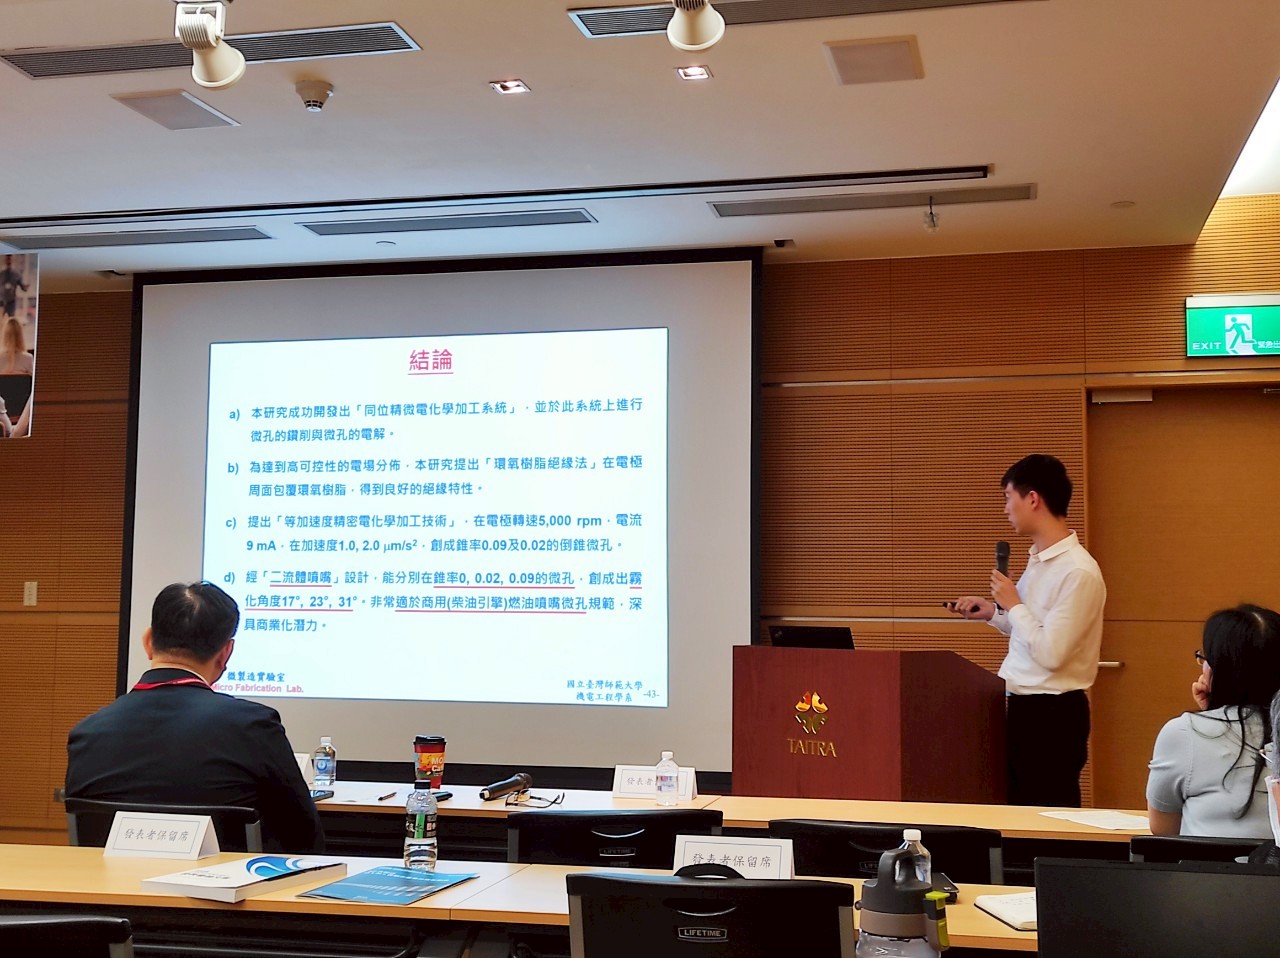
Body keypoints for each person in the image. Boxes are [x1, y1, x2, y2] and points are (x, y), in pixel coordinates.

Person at [66, 581, 324, 852]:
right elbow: (304, 838)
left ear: (148, 642)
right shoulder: (254, 726)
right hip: (226, 880)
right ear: (226, 653)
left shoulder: (86, 734)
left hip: (113, 880)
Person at [948, 454, 1106, 806]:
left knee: (1045, 816)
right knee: (1015, 814)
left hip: (1051, 715)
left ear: (1032, 498)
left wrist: (1014, 604)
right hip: (1021, 706)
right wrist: (994, 613)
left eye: (1008, 497)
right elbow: (1032, 631)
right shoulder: (1039, 560)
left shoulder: (1077, 571)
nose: (1006, 508)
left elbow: (1051, 653)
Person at [1146, 604, 1280, 838]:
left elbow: (1164, 830)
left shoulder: (1183, 733)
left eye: (1205, 658)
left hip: (1207, 864)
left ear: (1221, 669)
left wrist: (1212, 715)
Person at [0, 255, 29, 320]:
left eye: (10, 260)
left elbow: (23, 287)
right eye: (7, 260)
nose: (8, 262)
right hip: (1, 301)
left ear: (12, 261)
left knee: (11, 319)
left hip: (11, 301)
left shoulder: (16, 274)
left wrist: (25, 287)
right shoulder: (1, 274)